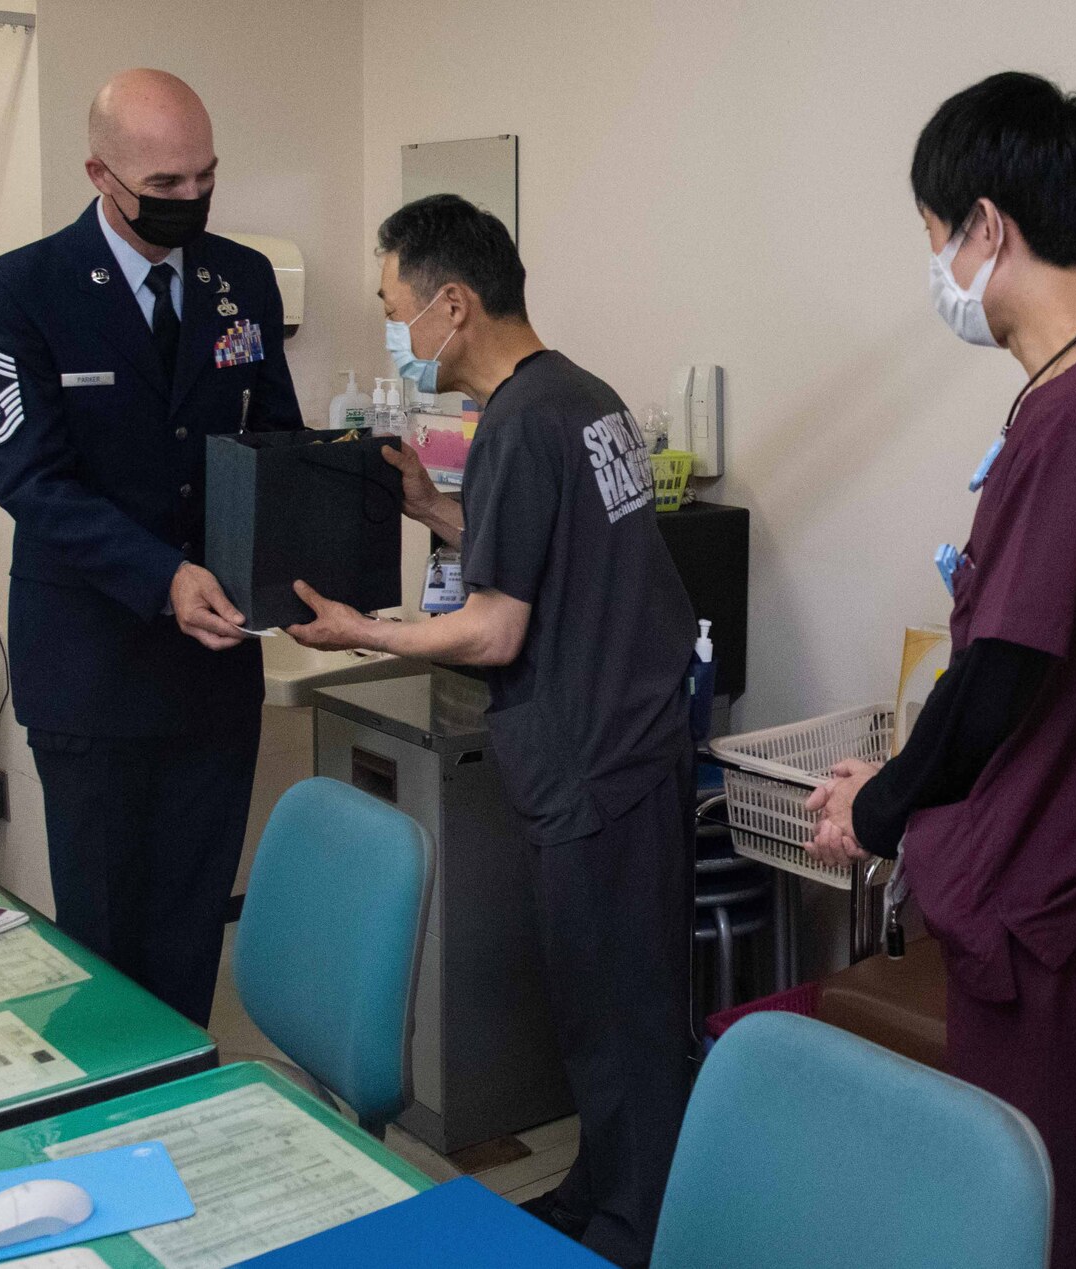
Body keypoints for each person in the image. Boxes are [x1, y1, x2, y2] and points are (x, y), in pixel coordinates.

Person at [805, 72, 1076, 1269]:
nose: (938, 276)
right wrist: (915, 774)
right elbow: (1035, 669)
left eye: (935, 242)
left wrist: (879, 806)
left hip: (1046, 905)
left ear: (987, 227)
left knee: (1024, 1225)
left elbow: (1003, 674)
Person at [286, 194, 696, 1269]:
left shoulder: (519, 422)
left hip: (590, 770)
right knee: (625, 1009)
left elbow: (494, 627)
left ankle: (631, 1233)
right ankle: (602, 1190)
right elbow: (537, 548)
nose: (393, 334)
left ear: (452, 305)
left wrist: (360, 632)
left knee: (617, 1023)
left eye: (393, 310)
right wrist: (428, 505)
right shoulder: (579, 397)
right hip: (638, 753)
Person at [0, 69, 301, 1025]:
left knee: (192, 938)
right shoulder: (18, 293)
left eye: (206, 180)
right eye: (166, 188)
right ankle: (109, 1143)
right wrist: (164, 577)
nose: (191, 201)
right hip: (93, 674)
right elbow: (34, 481)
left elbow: (270, 442)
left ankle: (178, 1129)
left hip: (215, 676)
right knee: (107, 946)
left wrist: (329, 523)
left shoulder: (239, 277)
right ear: (99, 173)